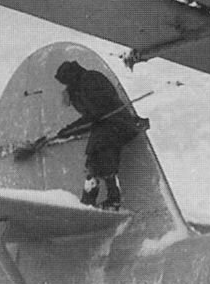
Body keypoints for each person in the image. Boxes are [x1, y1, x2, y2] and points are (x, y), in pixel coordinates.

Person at [53, 60, 146, 210]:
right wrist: (70, 130)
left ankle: (111, 199)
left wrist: (70, 130)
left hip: (113, 124)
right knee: (94, 159)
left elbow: (96, 113)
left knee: (103, 155)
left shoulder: (89, 81)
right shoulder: (85, 82)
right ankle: (90, 201)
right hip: (111, 124)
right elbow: (95, 114)